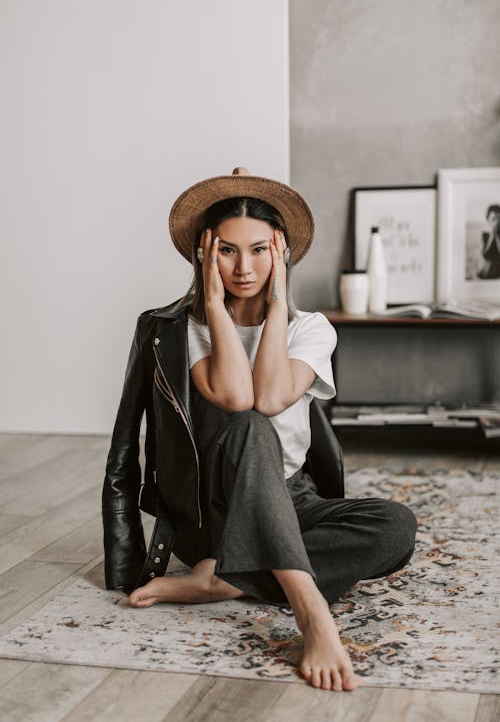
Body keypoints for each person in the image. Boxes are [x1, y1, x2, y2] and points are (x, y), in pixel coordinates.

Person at [102, 167, 417, 693]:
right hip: (212, 510)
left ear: (282, 254)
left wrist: (275, 304)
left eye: (259, 251)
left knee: (396, 528)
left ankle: (223, 579)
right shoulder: (182, 332)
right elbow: (240, 399)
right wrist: (211, 302)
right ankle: (311, 612)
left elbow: (272, 395)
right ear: (205, 256)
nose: (244, 267)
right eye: (226, 251)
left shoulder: (310, 329)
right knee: (249, 428)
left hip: (292, 498)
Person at [477, 204, 500, 279]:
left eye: (499, 219)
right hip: (487, 274)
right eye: (493, 218)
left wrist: (496, 235)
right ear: (488, 219)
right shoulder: (485, 235)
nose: (497, 222)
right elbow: (485, 256)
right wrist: (492, 234)